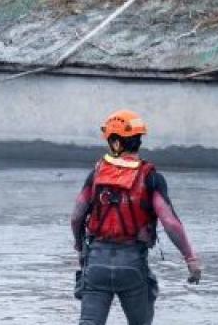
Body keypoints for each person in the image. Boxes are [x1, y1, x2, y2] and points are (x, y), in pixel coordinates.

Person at [71, 109, 203, 325]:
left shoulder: (96, 174)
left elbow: (77, 216)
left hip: (96, 264)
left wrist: (80, 247)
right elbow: (170, 222)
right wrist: (191, 259)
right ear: (138, 140)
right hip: (132, 265)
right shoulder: (151, 177)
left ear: (113, 141)